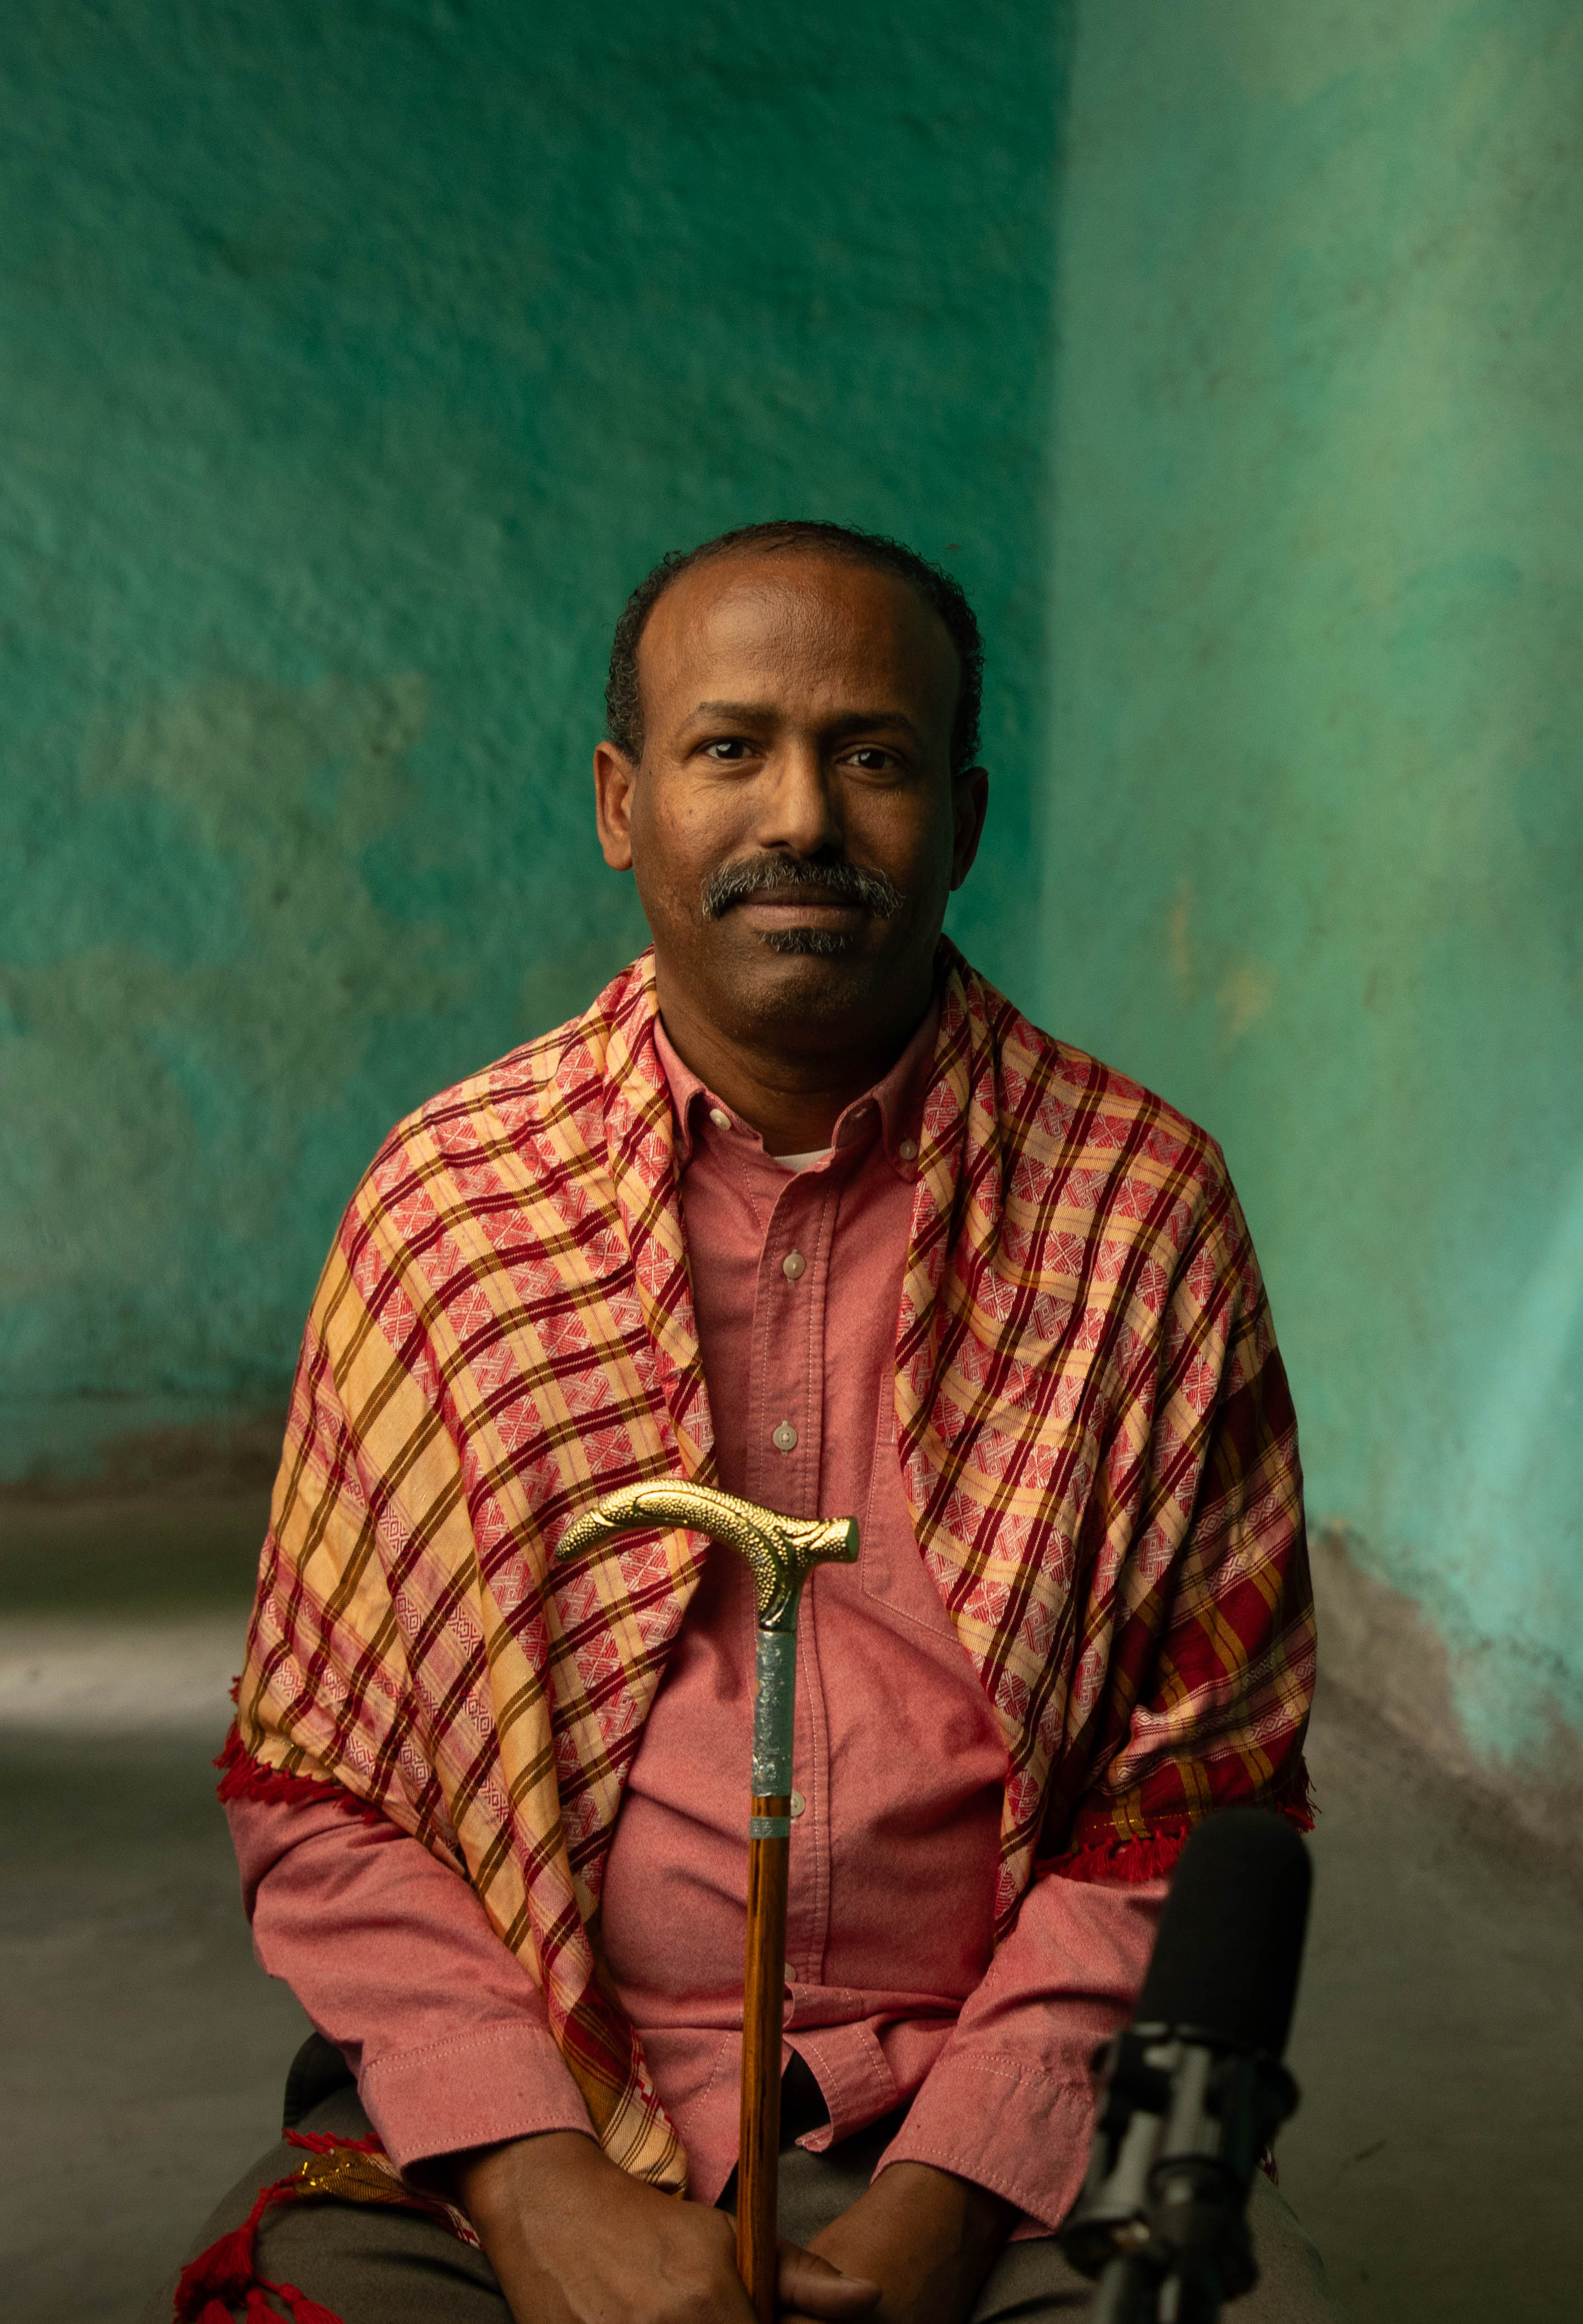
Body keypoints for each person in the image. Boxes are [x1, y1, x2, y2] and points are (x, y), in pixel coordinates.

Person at [160, 523, 1333, 2324]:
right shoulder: (451, 1207)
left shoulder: (1140, 1211)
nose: (802, 814)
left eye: (871, 754)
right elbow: (320, 1788)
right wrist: (541, 2187)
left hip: (998, 2126)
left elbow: (1200, 1800)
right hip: (533, 2103)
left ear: (965, 811)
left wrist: (944, 2207)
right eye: (732, 749)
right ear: (625, 802)